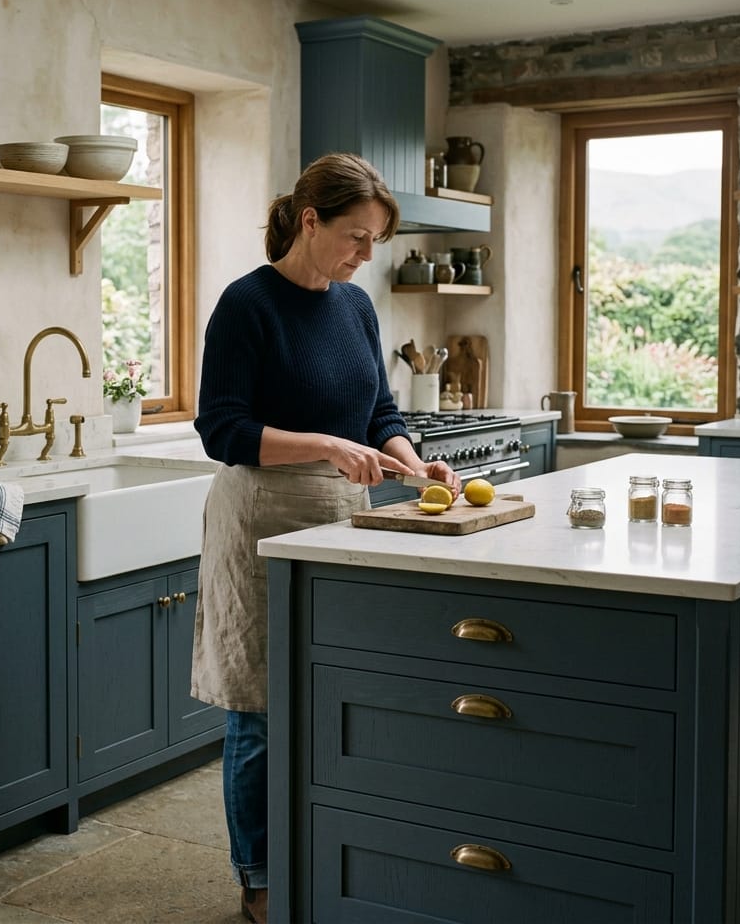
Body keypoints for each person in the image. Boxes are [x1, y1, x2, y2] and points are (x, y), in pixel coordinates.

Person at [191, 152, 461, 923]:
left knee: (345, 689)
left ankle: (335, 848)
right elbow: (222, 429)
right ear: (309, 221)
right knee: (261, 707)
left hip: (349, 516)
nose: (366, 255)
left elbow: (379, 413)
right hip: (261, 519)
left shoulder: (355, 306)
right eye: (356, 236)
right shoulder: (247, 304)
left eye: (376, 241)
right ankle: (262, 878)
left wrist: (415, 467)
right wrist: (322, 445)